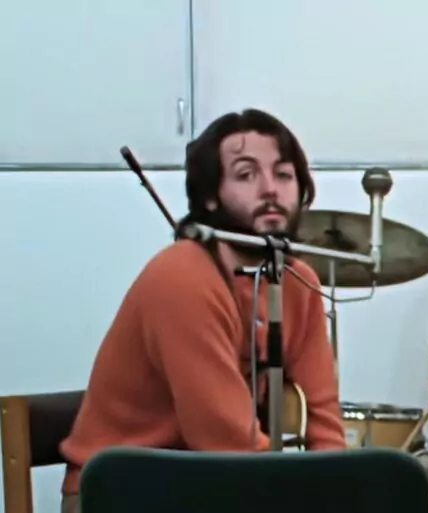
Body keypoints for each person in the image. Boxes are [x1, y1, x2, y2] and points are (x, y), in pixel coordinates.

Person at [58, 109, 345, 513]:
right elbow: (226, 442)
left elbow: (323, 420)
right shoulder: (183, 276)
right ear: (210, 196)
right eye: (246, 175)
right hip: (127, 494)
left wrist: (337, 489)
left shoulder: (299, 281)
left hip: (216, 487)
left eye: (283, 174)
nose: (270, 190)